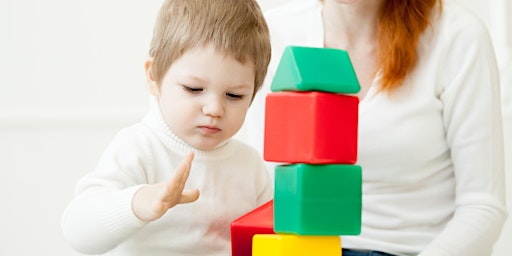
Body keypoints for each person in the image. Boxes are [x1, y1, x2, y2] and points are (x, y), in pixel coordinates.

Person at [243, 0, 507, 255]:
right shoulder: (272, 35)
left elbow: (483, 207)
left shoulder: (457, 35)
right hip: (303, 251)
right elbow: (262, 188)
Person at [61, 0, 272, 255]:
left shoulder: (249, 165)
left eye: (235, 95)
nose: (214, 109)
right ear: (153, 77)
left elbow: (269, 240)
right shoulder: (139, 148)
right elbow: (77, 231)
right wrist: (139, 203)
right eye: (194, 89)